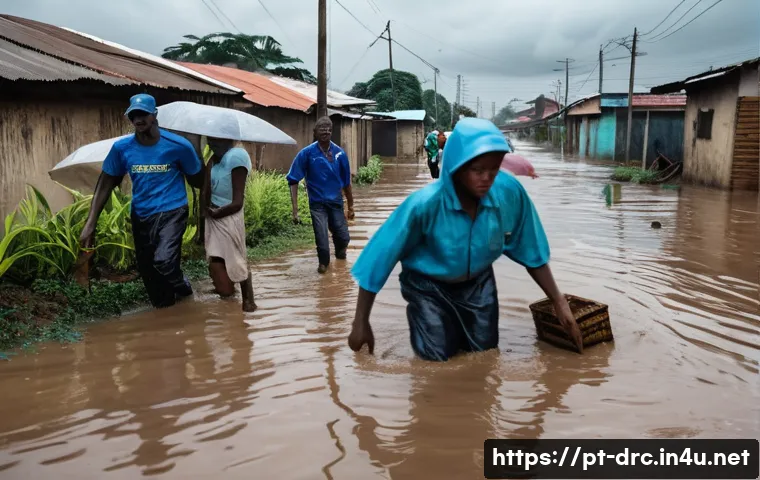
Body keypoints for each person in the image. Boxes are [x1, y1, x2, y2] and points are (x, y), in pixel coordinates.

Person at [347, 118, 583, 362]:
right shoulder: (424, 205)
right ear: (456, 168)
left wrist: (558, 301)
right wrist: (361, 321)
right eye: (477, 170)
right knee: (435, 362)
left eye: (493, 170)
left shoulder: (508, 194)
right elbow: (379, 258)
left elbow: (531, 249)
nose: (486, 179)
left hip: (478, 284)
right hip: (427, 287)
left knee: (485, 356)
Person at [80, 93, 205, 309]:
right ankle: (169, 317)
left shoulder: (178, 145)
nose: (138, 119)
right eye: (133, 115)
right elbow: (106, 182)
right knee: (151, 279)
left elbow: (198, 181)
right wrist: (90, 224)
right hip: (141, 215)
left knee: (164, 260)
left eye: (143, 114)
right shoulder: (122, 148)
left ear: (154, 115)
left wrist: (195, 150)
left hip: (172, 211)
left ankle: (182, 287)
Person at [287, 117, 355, 274]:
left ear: (332, 132)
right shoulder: (306, 154)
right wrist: (295, 210)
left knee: (344, 237)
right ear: (314, 133)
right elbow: (293, 180)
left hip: (336, 202)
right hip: (317, 204)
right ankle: (323, 265)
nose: (326, 131)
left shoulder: (340, 154)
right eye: (322, 129)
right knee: (322, 238)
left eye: (328, 129)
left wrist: (351, 205)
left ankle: (340, 254)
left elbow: (347, 183)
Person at [203, 136, 257, 312]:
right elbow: (206, 189)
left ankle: (249, 301)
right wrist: (205, 214)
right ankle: (228, 295)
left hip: (229, 216)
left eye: (216, 140)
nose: (212, 144)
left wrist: (217, 212)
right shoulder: (213, 159)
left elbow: (237, 202)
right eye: (210, 140)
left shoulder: (236, 157)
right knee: (216, 258)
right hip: (213, 217)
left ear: (228, 139)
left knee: (236, 259)